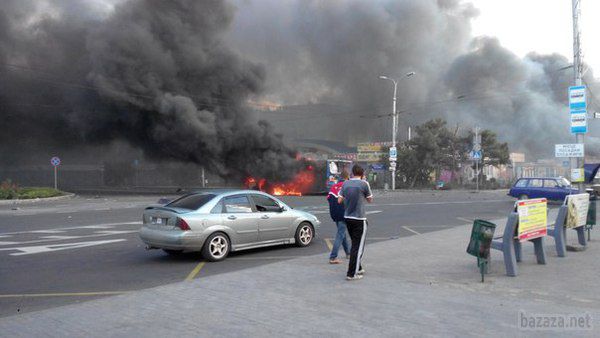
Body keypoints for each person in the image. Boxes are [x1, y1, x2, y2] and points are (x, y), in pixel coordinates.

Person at [338, 164, 373, 281]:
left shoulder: (345, 183)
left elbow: (339, 200)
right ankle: (352, 273)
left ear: (352, 173)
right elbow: (370, 200)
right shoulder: (364, 184)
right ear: (362, 174)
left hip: (348, 217)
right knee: (358, 247)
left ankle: (358, 267)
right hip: (359, 219)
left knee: (354, 244)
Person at [327, 171, 351, 264]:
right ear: (348, 177)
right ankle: (333, 257)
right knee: (340, 234)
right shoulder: (347, 186)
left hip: (335, 213)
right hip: (344, 213)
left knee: (342, 233)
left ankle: (348, 253)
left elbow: (328, 198)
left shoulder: (333, 186)